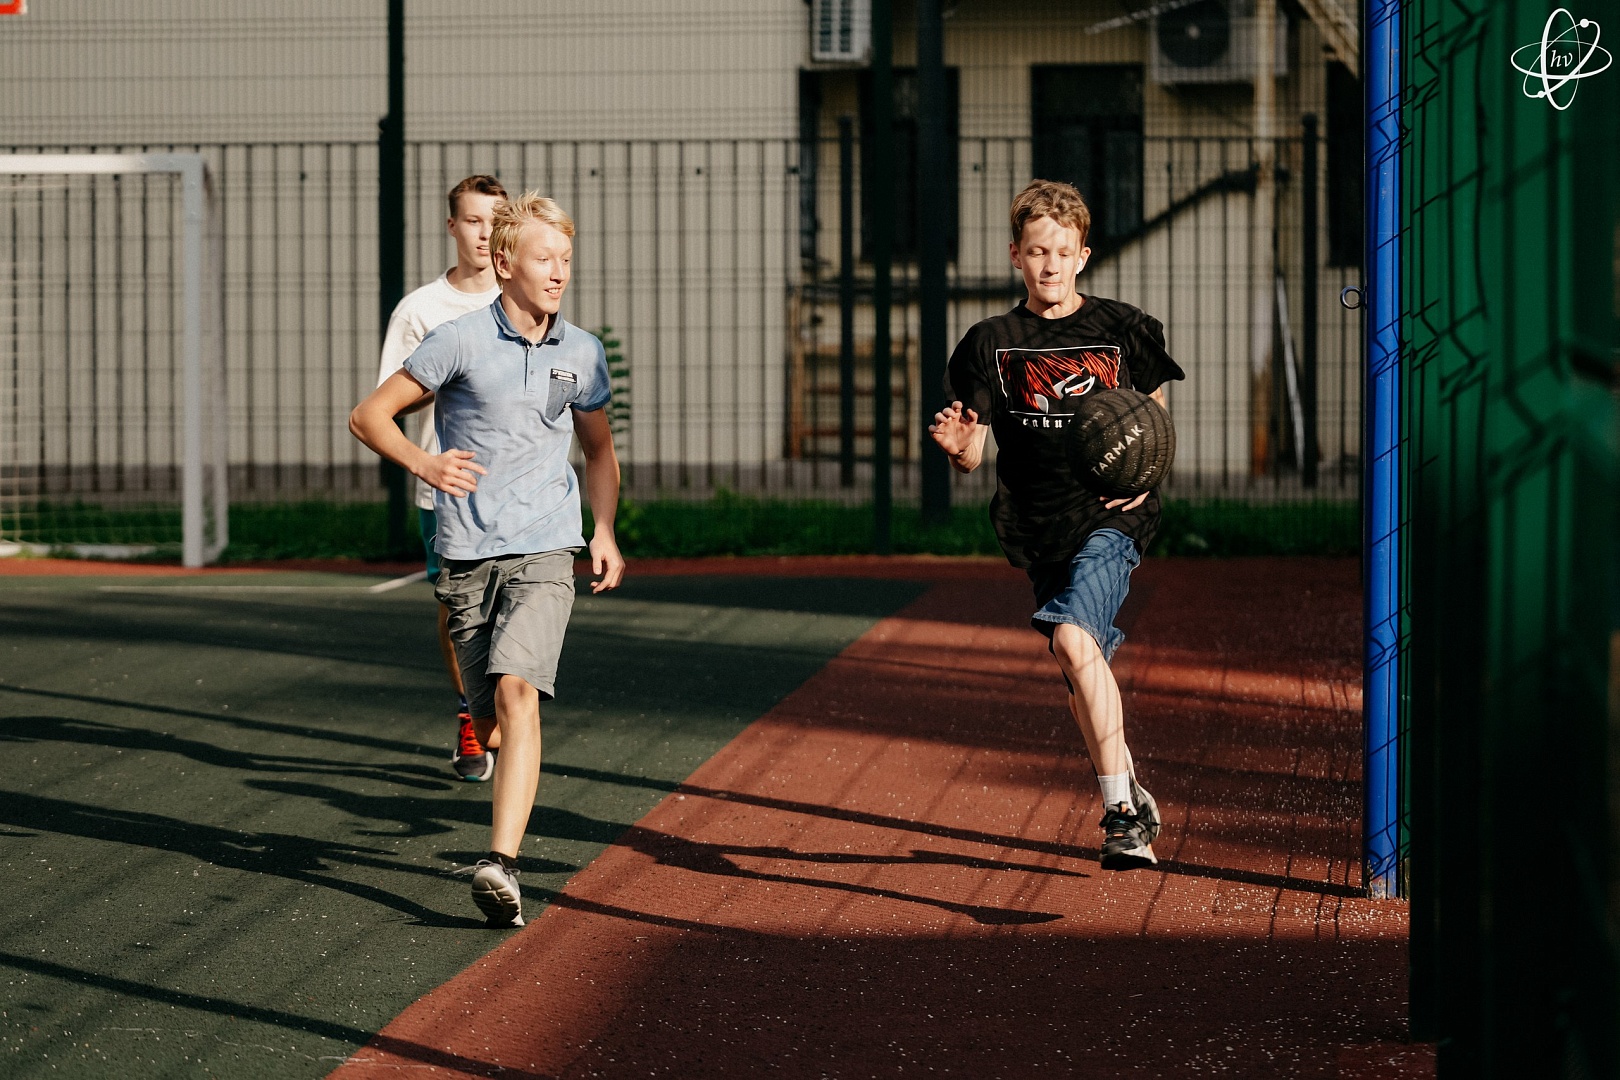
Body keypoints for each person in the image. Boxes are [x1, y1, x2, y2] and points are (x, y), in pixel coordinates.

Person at [350, 192, 624, 926]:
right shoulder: (458, 340)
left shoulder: (582, 352)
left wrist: (602, 530)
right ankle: (487, 751)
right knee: (490, 715)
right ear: (505, 264)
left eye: (566, 258)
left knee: (516, 690)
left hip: (546, 546)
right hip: (467, 550)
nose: (559, 271)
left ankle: (500, 862)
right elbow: (368, 416)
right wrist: (423, 463)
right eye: (544, 258)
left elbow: (599, 452)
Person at [929, 179, 1185, 871]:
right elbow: (973, 450)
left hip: (1109, 519)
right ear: (1016, 254)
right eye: (1037, 251)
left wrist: (1145, 477)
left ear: (1084, 255)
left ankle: (1120, 817)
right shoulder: (990, 343)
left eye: (1063, 252)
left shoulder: (1125, 329)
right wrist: (957, 448)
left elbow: (1153, 424)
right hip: (1037, 526)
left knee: (1074, 638)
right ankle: (1125, 776)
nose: (1050, 264)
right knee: (1080, 665)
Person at [376, 174, 507, 782]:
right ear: (452, 226)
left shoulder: (525, 293)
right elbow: (387, 407)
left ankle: (507, 714)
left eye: (494, 220)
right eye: (474, 220)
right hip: (449, 491)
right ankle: (469, 711)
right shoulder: (422, 311)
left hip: (521, 492)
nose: (485, 232)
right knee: (459, 612)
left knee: (518, 609)